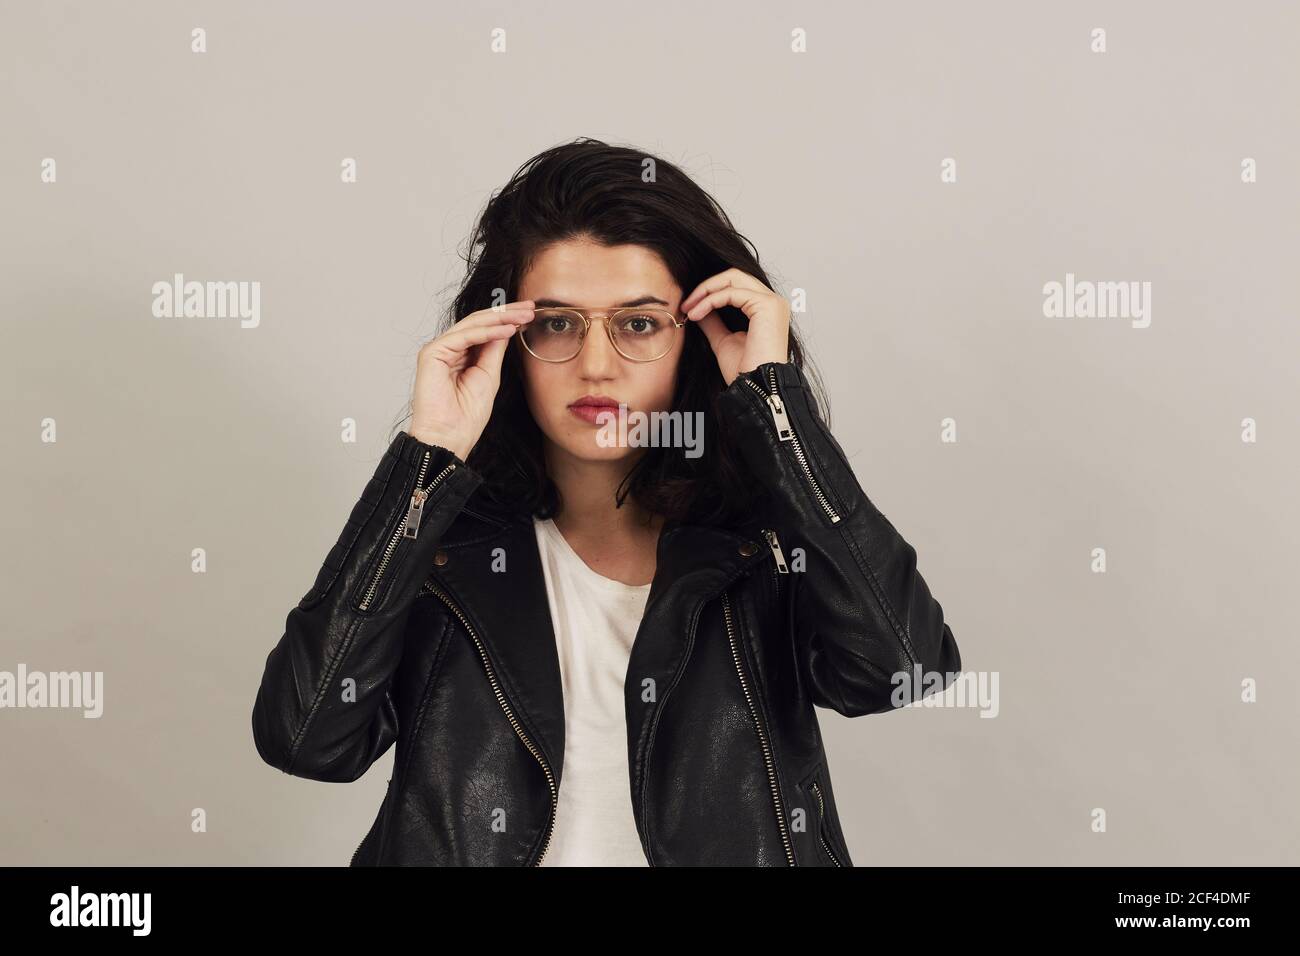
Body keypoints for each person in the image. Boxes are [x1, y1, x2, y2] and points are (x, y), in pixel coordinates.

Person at [251, 137, 961, 866]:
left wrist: (775, 408)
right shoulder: (440, 549)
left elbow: (902, 667)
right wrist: (426, 457)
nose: (597, 365)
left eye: (640, 323)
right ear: (507, 339)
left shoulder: (762, 545)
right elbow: (306, 738)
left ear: (698, 336)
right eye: (556, 323)